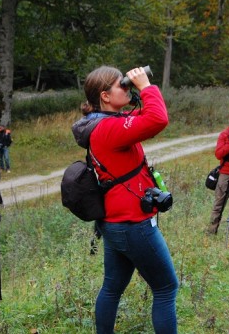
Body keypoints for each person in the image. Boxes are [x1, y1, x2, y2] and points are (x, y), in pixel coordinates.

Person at [72, 66, 179, 333]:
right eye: (122, 85)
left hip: (115, 222)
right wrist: (145, 86)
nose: (128, 86)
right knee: (166, 288)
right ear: (105, 96)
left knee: (112, 287)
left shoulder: (104, 123)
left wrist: (134, 94)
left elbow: (144, 115)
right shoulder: (108, 128)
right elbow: (158, 119)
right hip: (133, 225)